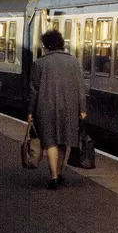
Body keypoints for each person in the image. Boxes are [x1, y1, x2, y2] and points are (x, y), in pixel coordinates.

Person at [28, 29, 86, 190]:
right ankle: (59, 173)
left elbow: (34, 91)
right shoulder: (74, 62)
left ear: (46, 46)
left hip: (45, 107)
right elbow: (81, 88)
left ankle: (53, 177)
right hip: (69, 107)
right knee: (63, 142)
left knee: (50, 142)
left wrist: (30, 111)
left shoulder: (39, 64)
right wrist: (83, 109)